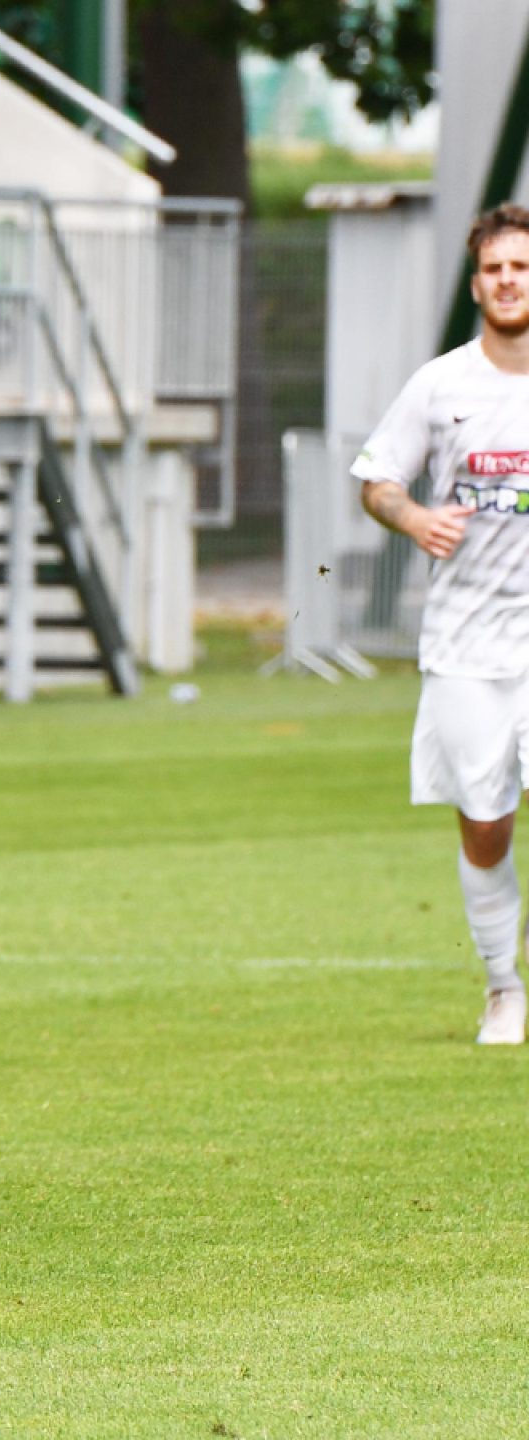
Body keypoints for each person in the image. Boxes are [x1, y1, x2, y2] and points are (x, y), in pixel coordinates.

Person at [353, 202, 529, 1047]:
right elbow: (378, 479)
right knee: (486, 820)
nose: (508, 280)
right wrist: (414, 519)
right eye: (496, 269)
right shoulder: (442, 383)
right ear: (477, 284)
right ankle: (503, 988)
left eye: (521, 267)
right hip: (466, 643)